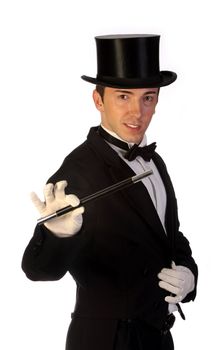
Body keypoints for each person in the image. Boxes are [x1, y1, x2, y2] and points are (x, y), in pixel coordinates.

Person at [22, 34, 198, 350]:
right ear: (98, 100)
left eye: (147, 97)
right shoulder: (78, 170)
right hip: (106, 341)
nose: (137, 112)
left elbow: (170, 236)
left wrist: (189, 273)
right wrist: (58, 235)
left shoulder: (155, 161)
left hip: (156, 339)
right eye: (123, 97)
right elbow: (38, 271)